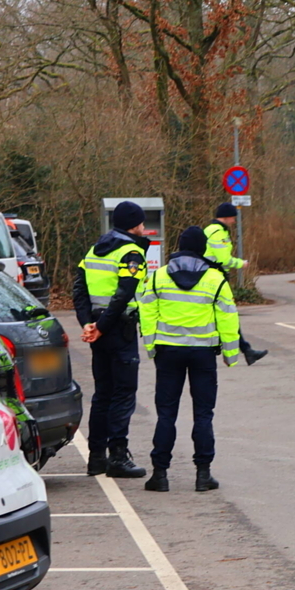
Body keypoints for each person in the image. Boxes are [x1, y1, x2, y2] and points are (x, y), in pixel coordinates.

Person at [139, 227, 241, 492]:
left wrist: (151, 346)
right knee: (204, 414)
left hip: (168, 353)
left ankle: (159, 475)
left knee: (166, 415)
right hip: (203, 354)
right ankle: (203, 475)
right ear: (202, 249)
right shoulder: (215, 279)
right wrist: (231, 354)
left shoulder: (158, 276)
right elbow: (228, 318)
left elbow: (146, 312)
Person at [72, 201, 150, 479]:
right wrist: (102, 327)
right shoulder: (131, 253)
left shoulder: (94, 250)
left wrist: (88, 324)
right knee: (123, 393)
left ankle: (96, 458)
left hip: (99, 330)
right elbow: (123, 295)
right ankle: (118, 456)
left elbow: (79, 291)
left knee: (103, 393)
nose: (144, 228)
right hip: (118, 330)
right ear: (134, 225)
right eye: (141, 223)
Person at [204, 203, 267, 365]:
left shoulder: (211, 230)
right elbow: (224, 259)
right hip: (214, 279)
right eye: (232, 217)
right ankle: (244, 350)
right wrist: (241, 263)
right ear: (226, 217)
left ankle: (247, 350)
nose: (234, 221)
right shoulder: (218, 233)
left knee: (224, 315)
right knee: (227, 315)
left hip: (209, 277)